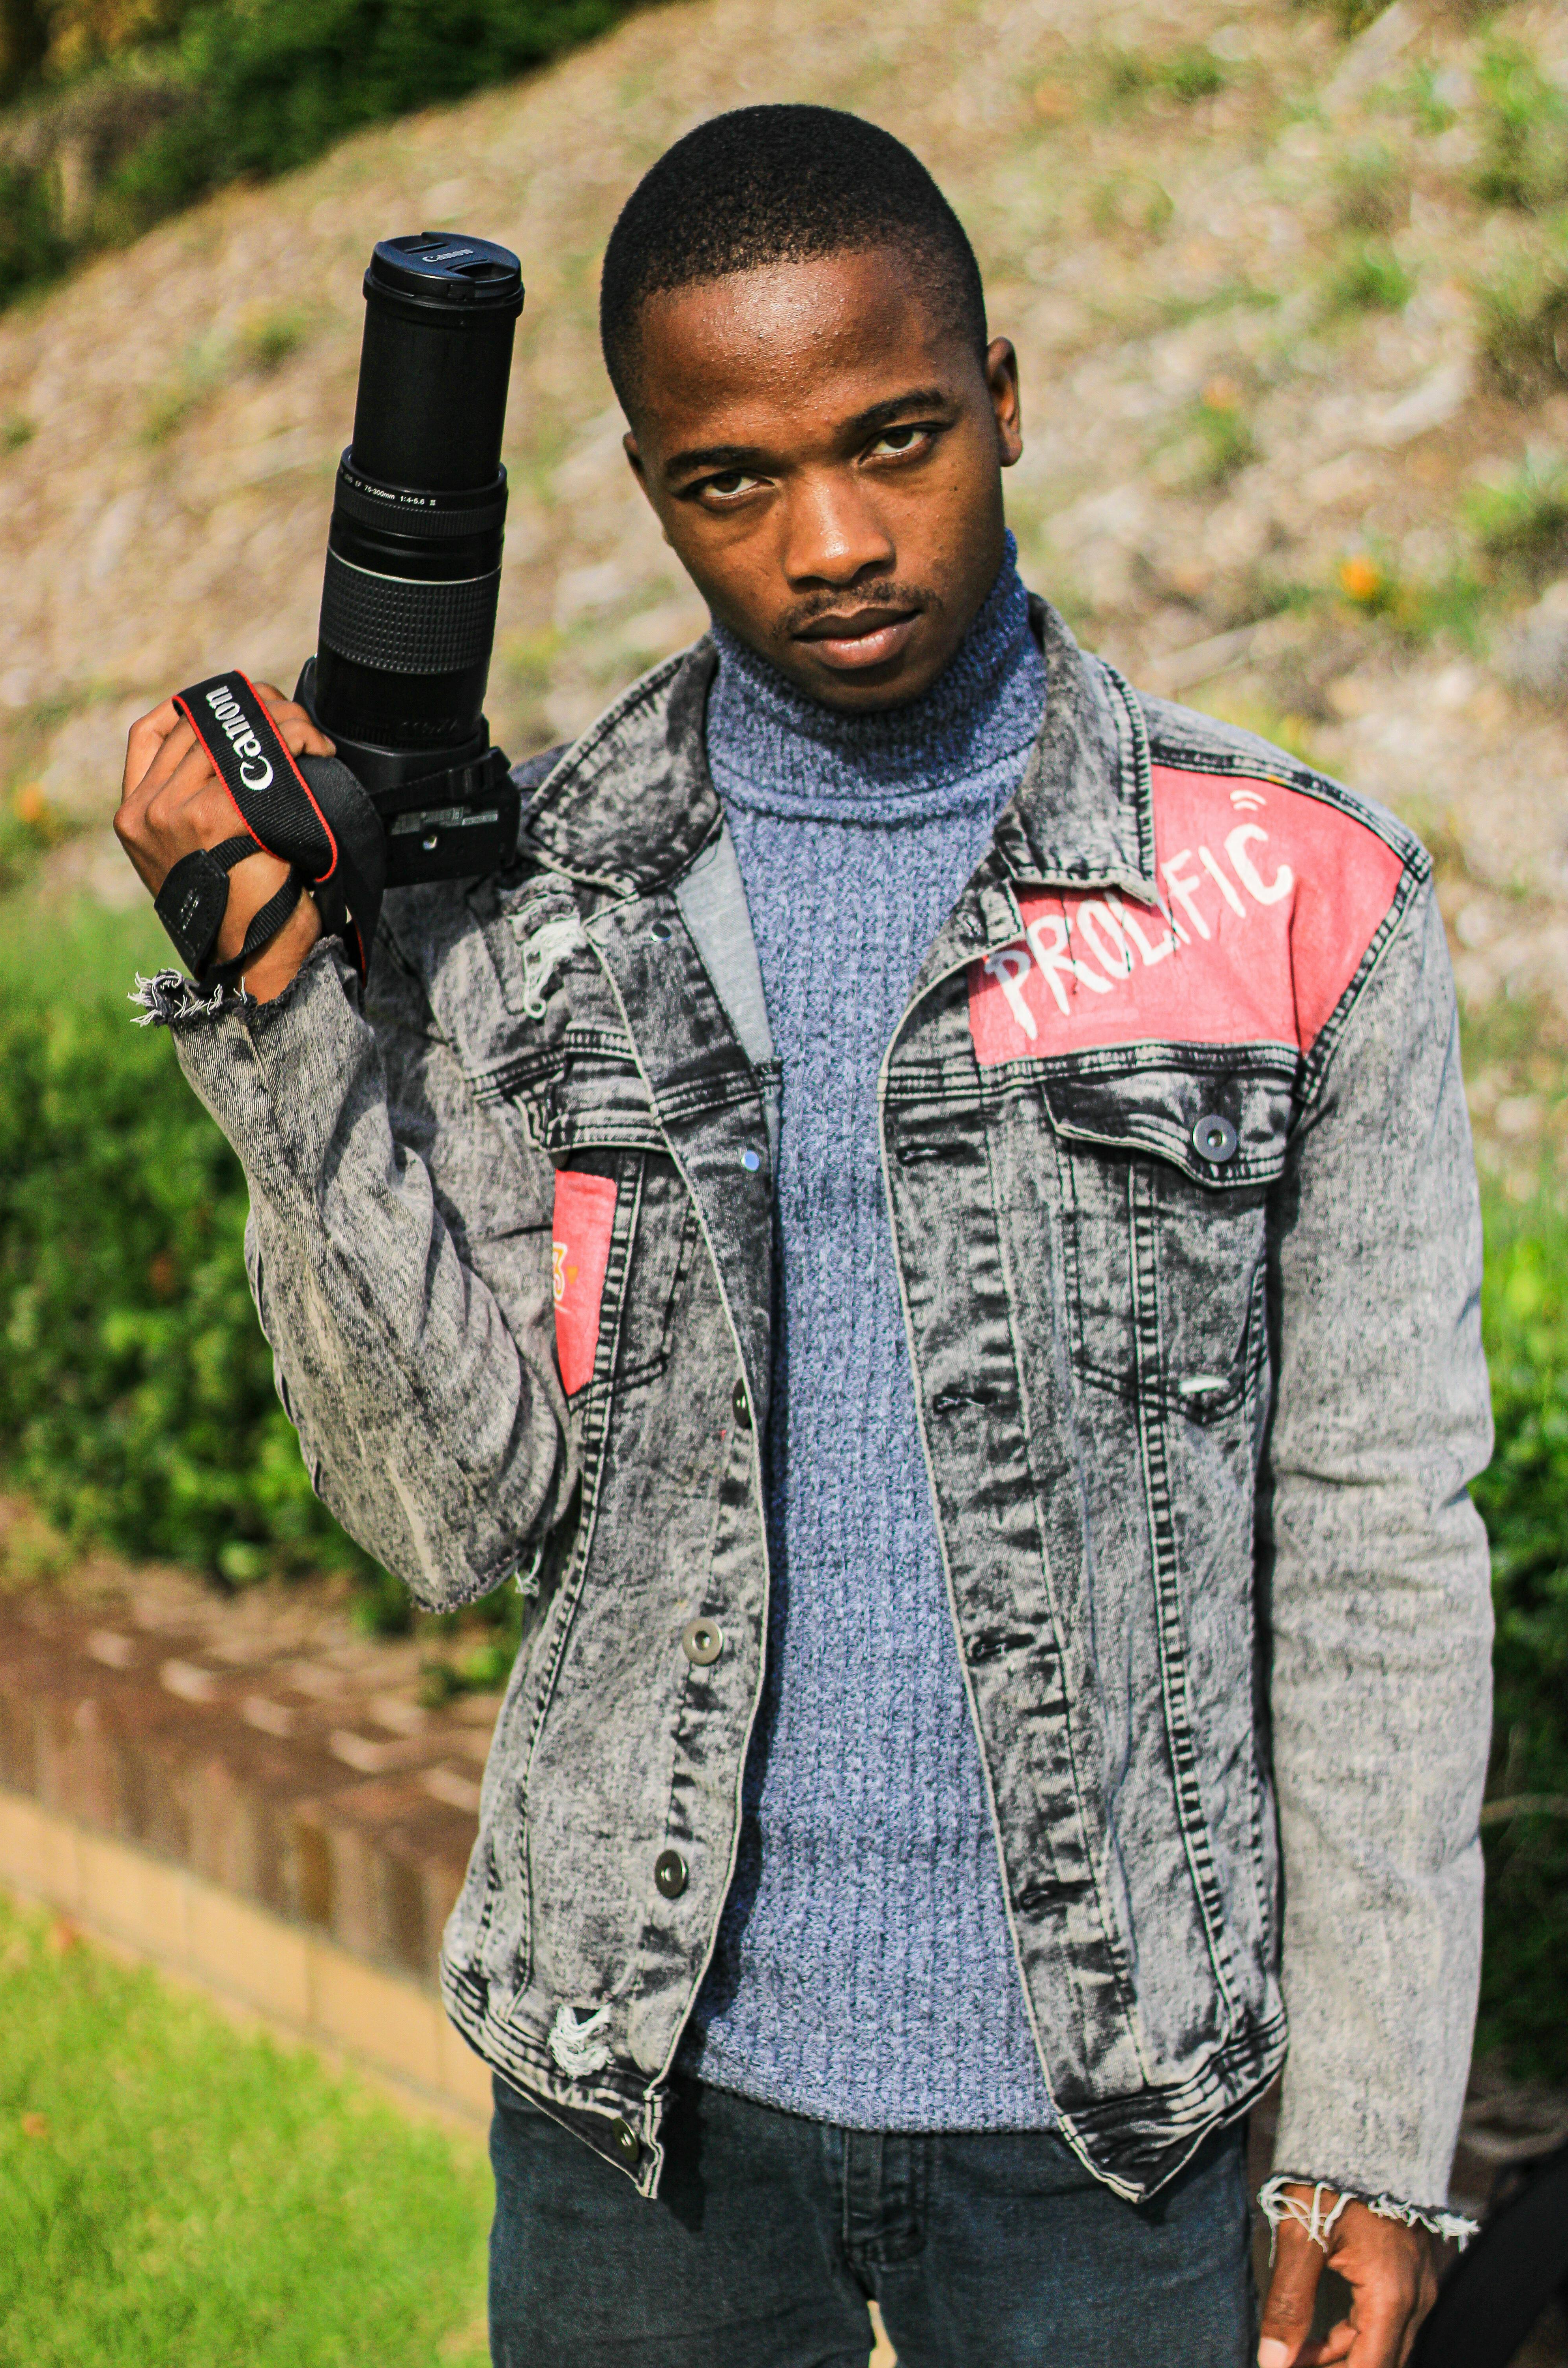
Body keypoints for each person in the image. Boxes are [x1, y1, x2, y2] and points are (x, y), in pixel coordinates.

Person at [114, 104, 1492, 2368]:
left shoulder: (1297, 902)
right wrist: (282, 1017)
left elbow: (1373, 1539)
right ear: (650, 485)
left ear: (1008, 396)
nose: (834, 541)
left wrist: (1367, 2123)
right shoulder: (533, 895)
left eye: (899, 438)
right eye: (731, 482)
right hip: (641, 2107)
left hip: (1112, 2122)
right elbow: (452, 1515)